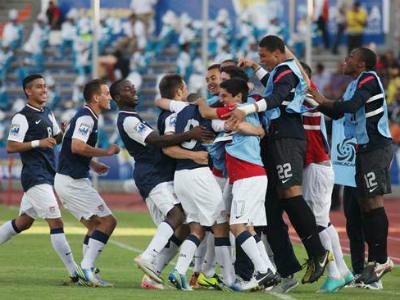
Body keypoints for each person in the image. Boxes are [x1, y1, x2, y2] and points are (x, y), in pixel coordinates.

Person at [231, 35, 330, 284]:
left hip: (287, 136)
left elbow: (276, 98)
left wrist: (248, 108)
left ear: (277, 53)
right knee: (277, 202)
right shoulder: (280, 72)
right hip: (279, 137)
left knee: (291, 194)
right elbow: (275, 88)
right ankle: (290, 266)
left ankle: (318, 252)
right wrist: (255, 68)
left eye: (263, 55)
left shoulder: (286, 71)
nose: (260, 58)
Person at [110, 77, 210, 285]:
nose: (134, 90)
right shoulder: (128, 120)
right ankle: (147, 257)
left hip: (158, 173)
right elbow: (157, 140)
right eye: (128, 89)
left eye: (133, 87)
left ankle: (152, 275)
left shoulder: (133, 116)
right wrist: (190, 134)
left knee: (180, 226)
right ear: (118, 97)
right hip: (152, 174)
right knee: (177, 214)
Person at [309, 47, 394, 285]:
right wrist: (316, 103)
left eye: (351, 57)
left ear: (362, 64)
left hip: (377, 147)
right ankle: (376, 262)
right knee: (366, 203)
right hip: (364, 149)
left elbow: (349, 106)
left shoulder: (368, 79)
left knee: (373, 202)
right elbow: (338, 114)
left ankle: (381, 260)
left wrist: (323, 100)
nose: (345, 60)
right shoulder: (353, 84)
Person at [0, 74, 86, 285]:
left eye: (45, 87)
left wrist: (62, 133)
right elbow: (11, 146)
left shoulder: (47, 112)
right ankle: (75, 273)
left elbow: (54, 139)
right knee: (56, 221)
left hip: (48, 173)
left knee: (24, 222)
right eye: (39, 87)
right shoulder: (22, 117)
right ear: (28, 91)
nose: (44, 90)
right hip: (35, 175)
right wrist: (38, 143)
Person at [54, 79, 120, 287]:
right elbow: (76, 146)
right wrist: (106, 153)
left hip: (68, 179)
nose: (110, 97)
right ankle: (88, 268)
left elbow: (71, 145)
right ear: (95, 97)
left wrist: (92, 163)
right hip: (72, 181)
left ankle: (87, 272)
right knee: (108, 222)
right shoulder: (86, 117)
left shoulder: (86, 116)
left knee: (94, 226)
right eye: (106, 93)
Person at [301, 62, 354, 292]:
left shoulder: (309, 95)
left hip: (316, 166)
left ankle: (333, 273)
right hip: (317, 166)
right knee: (324, 222)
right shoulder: (308, 97)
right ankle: (343, 270)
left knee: (318, 223)